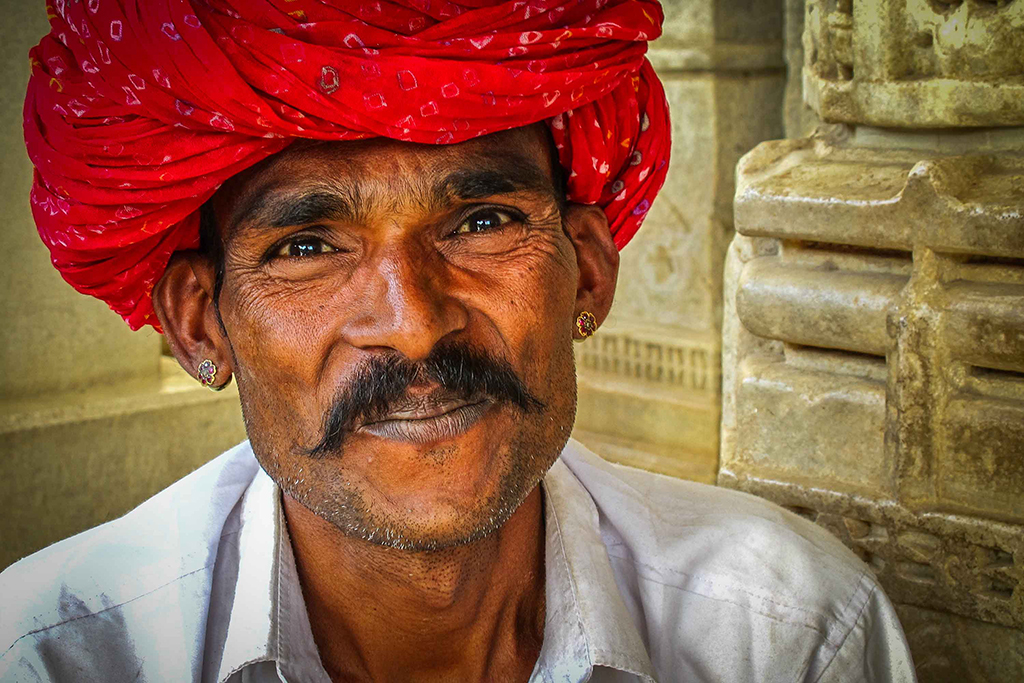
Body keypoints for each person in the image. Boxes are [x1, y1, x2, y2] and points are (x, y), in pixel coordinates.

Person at [2, 1, 916, 682]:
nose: (414, 321)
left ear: (586, 274)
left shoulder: (787, 636)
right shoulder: (53, 655)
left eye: (481, 222)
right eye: (308, 248)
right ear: (202, 323)